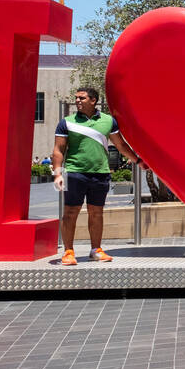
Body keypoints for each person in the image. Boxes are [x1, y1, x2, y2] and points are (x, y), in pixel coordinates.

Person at [52, 87, 142, 265]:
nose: (77, 101)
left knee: (96, 213)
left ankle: (96, 250)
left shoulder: (108, 121)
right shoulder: (66, 122)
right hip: (75, 173)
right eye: (76, 98)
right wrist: (57, 174)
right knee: (70, 213)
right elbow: (58, 150)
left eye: (82, 98)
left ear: (93, 100)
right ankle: (68, 252)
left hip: (100, 174)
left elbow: (121, 145)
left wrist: (137, 161)